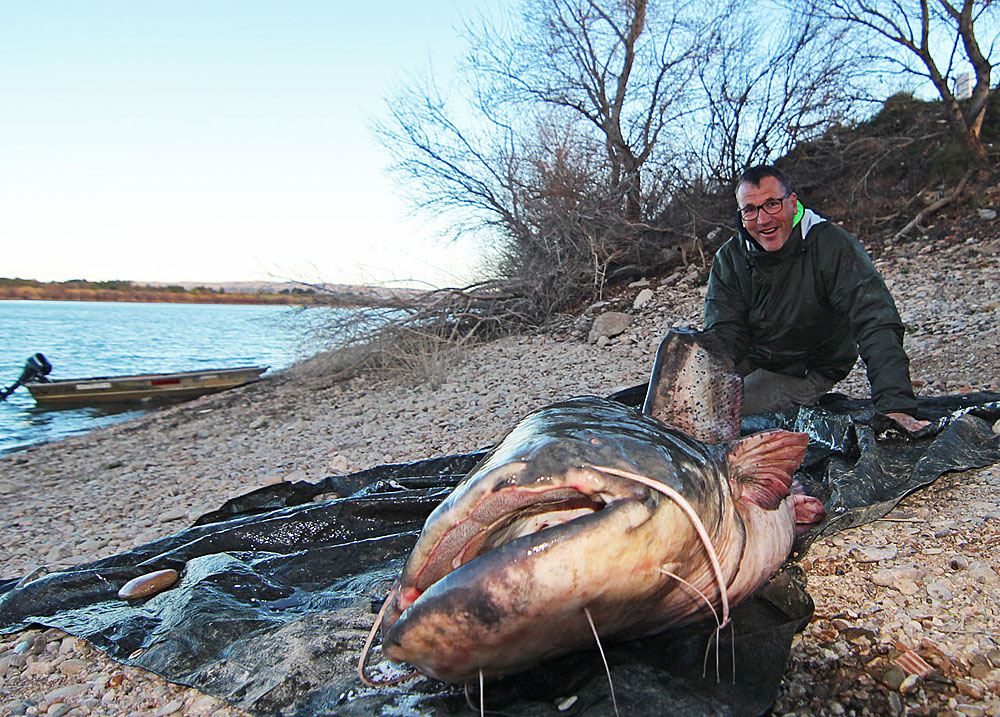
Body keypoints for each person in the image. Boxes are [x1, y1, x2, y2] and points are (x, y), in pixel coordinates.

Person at [703, 164, 930, 433]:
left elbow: (876, 320)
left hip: (807, 366)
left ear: (792, 202)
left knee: (721, 412)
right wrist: (709, 376)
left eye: (772, 204)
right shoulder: (730, 258)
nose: (763, 220)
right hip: (758, 354)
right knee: (691, 401)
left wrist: (896, 405)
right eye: (750, 210)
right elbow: (724, 331)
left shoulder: (831, 245)